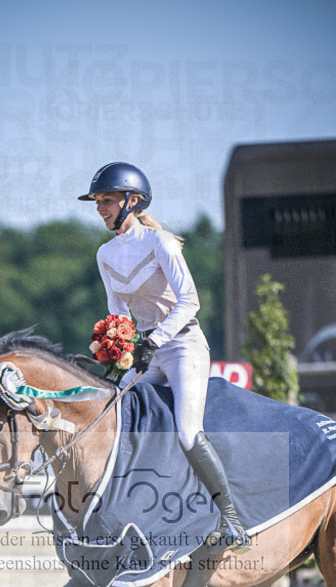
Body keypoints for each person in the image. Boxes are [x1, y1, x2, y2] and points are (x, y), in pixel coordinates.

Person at [78, 161, 249, 549]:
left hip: (183, 344)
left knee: (187, 432)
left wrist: (154, 341)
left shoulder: (160, 243)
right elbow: (118, 313)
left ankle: (232, 520)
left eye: (107, 200)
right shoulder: (105, 254)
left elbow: (191, 301)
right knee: (112, 412)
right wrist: (115, 346)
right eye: (97, 202)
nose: (100, 208)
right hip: (145, 352)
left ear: (132, 201)